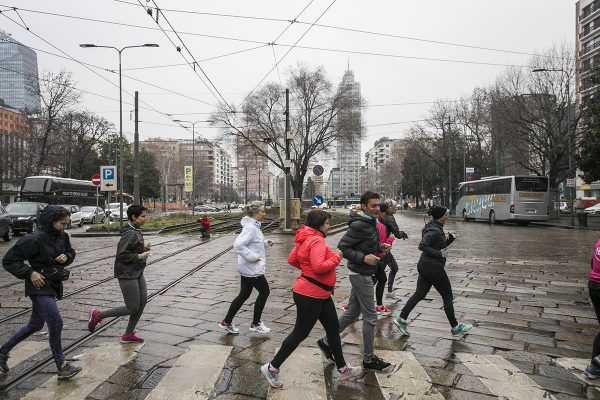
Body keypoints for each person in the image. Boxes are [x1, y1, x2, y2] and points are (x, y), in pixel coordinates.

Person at [261, 210, 362, 388]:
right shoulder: (316, 240)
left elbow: (293, 259)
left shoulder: (306, 238)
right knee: (300, 333)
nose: (329, 226)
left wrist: (307, 266)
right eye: (328, 223)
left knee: (332, 329)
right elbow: (319, 267)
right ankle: (272, 367)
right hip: (310, 294)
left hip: (319, 293)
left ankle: (342, 369)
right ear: (320, 224)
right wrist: (337, 258)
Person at [0, 206, 81, 379]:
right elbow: (9, 260)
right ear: (50, 221)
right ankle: (62, 366)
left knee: (36, 324)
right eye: (62, 223)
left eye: (67, 223)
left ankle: (2, 352)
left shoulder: (62, 236)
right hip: (38, 286)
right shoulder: (33, 239)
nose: (65, 227)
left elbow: (70, 252)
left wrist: (67, 256)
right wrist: (30, 273)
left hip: (53, 283)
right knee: (56, 322)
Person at [318, 191, 393, 373]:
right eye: (373, 206)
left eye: (378, 205)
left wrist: (380, 247)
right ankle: (368, 359)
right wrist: (364, 258)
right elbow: (343, 247)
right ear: (364, 207)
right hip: (361, 274)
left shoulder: (371, 221)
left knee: (352, 312)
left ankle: (327, 341)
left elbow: (363, 244)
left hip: (363, 272)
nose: (377, 209)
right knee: (371, 317)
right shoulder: (360, 224)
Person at [393, 205, 472, 337]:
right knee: (447, 296)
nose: (448, 216)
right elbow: (422, 245)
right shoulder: (434, 230)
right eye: (446, 214)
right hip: (433, 266)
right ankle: (455, 327)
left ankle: (401, 319)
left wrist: (449, 240)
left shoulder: (434, 227)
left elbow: (437, 245)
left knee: (420, 294)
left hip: (425, 264)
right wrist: (439, 254)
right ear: (440, 216)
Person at [88, 205, 151, 343]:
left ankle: (128, 334)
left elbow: (132, 249)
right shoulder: (130, 233)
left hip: (137, 271)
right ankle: (99, 315)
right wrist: (140, 256)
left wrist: (143, 248)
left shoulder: (136, 229)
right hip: (126, 273)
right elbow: (122, 255)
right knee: (133, 307)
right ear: (133, 217)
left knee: (143, 302)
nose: (145, 218)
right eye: (143, 216)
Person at [219, 201, 273, 334]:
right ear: (255, 213)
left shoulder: (254, 226)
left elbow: (253, 244)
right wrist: (253, 257)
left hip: (247, 268)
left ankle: (227, 322)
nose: (264, 214)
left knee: (244, 295)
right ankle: (256, 323)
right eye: (262, 211)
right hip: (252, 269)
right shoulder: (250, 228)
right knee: (264, 291)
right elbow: (238, 245)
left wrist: (265, 243)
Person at [379, 200, 408, 300]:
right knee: (383, 273)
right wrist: (402, 234)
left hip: (382, 245)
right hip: (384, 248)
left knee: (379, 273)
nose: (396, 208)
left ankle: (389, 292)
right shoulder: (390, 218)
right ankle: (388, 293)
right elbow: (397, 233)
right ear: (389, 208)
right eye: (395, 207)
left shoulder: (383, 216)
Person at [584, 237, 600, 378]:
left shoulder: (598, 241)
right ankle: (597, 363)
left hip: (594, 285)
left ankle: (594, 367)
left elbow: (592, 262)